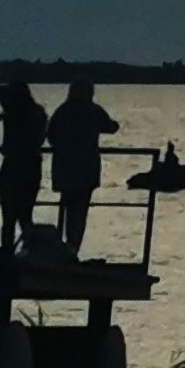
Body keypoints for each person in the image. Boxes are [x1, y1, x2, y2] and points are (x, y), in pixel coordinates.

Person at [47, 76, 119, 254]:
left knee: (67, 208)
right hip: (86, 169)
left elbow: (51, 135)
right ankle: (73, 248)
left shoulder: (63, 111)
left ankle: (64, 246)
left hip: (65, 168)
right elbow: (111, 127)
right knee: (79, 212)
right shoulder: (93, 111)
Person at [0, 76, 47, 252]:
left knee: (8, 218)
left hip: (12, 166)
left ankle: (6, 252)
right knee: (26, 215)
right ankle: (29, 251)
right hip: (32, 165)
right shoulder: (38, 112)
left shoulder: (11, 111)